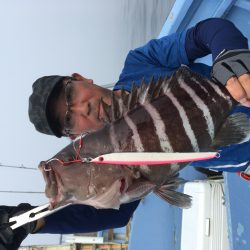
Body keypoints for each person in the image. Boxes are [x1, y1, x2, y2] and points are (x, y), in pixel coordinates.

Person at [1, 18, 250, 249]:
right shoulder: (114, 167)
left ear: (80, 79)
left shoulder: (140, 63)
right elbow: (114, 213)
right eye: (68, 118)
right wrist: (31, 221)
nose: (81, 108)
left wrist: (229, 54)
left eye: (70, 95)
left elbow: (206, 32)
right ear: (72, 135)